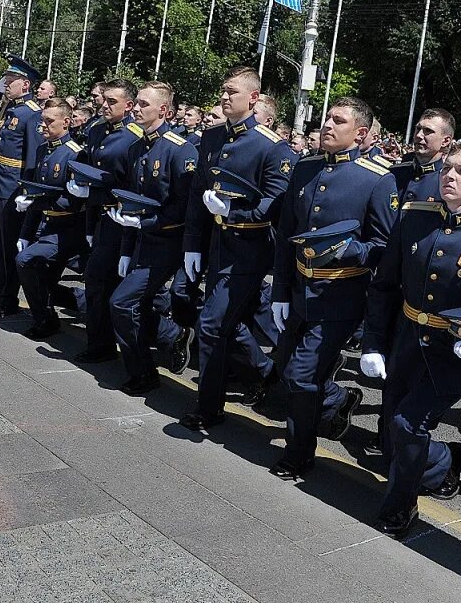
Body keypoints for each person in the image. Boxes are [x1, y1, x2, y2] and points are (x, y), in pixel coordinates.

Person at [360, 143, 461, 537]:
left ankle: (401, 508)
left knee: (407, 424)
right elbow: (384, 285)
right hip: (408, 339)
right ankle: (441, 463)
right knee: (393, 430)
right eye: (447, 168)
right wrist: (373, 342)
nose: (450, 176)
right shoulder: (414, 218)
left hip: (454, 352)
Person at [269, 97, 399, 478]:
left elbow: (384, 248)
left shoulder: (377, 179)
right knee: (288, 369)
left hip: (340, 296)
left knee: (301, 376)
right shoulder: (305, 167)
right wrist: (280, 290)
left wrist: (350, 249)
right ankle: (337, 400)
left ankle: (298, 454)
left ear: (360, 133)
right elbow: (288, 235)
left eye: (337, 120)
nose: (326, 124)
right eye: (326, 118)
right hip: (298, 291)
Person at [179, 67, 296, 430]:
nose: (225, 97)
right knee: (234, 322)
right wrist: (192, 245)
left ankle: (209, 408)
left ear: (254, 98)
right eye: (223, 91)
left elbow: (276, 204)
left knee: (212, 325)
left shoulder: (271, 147)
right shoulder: (213, 137)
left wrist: (234, 210)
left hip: (249, 249)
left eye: (232, 92)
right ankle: (267, 376)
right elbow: (199, 196)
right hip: (217, 245)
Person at [108, 81, 198, 395]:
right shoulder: (137, 147)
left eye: (144, 104)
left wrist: (146, 223)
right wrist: (126, 247)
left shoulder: (179, 148)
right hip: (143, 241)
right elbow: (133, 201)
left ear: (163, 109)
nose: (135, 108)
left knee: (121, 302)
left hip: (168, 242)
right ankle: (172, 335)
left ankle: (144, 372)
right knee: (135, 304)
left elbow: (185, 205)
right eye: (136, 103)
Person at [70, 78, 143, 362]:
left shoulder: (134, 136)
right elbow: (90, 167)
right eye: (104, 99)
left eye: (112, 101)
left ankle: (166, 334)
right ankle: (101, 342)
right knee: (101, 280)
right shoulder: (97, 129)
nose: (104, 105)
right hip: (100, 214)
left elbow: (133, 183)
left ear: (128, 105)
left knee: (101, 280)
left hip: (121, 217)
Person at [15, 98, 89, 339]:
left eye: (49, 121)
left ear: (66, 122)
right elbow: (35, 189)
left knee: (26, 261)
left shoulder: (76, 154)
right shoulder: (42, 149)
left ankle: (46, 320)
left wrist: (37, 201)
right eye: (42, 121)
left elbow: (77, 201)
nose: (43, 126)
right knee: (42, 276)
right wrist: (26, 233)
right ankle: (76, 306)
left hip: (69, 226)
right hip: (48, 224)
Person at [0, 55, 43, 317]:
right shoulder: (11, 109)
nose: (5, 84)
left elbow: (31, 158)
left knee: (8, 246)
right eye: (6, 79)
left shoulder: (32, 114)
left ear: (26, 85)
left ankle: (8, 296)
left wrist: (26, 191)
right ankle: (0, 290)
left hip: (12, 187)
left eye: (11, 80)